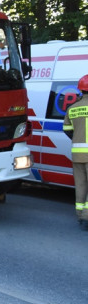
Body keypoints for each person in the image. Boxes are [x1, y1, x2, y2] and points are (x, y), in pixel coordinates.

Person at [63, 74, 88, 231]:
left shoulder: (72, 108)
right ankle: (87, 215)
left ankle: (80, 214)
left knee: (80, 184)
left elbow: (67, 130)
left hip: (77, 153)